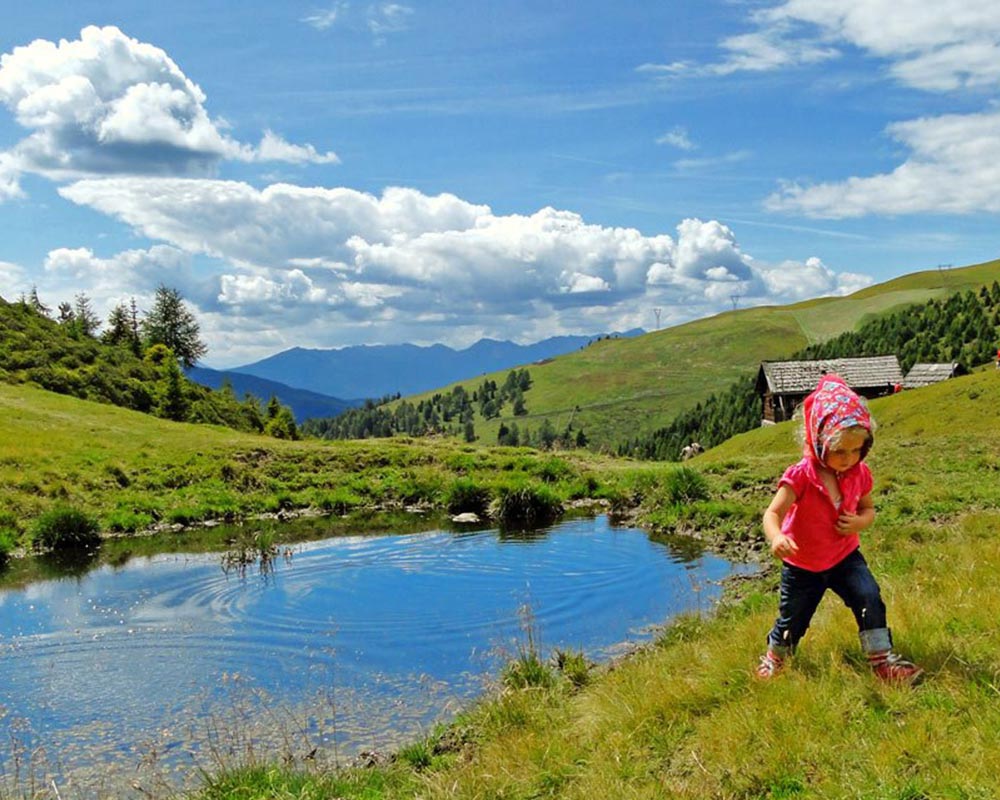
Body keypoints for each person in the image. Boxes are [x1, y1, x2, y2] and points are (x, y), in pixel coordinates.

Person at [755, 373, 923, 683]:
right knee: (794, 618)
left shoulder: (860, 472)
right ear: (819, 441)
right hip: (803, 564)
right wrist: (777, 537)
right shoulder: (802, 475)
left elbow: (868, 509)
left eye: (856, 450)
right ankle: (775, 658)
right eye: (840, 451)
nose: (848, 459)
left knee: (869, 598)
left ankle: (881, 660)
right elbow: (771, 513)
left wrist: (860, 522)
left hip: (846, 556)